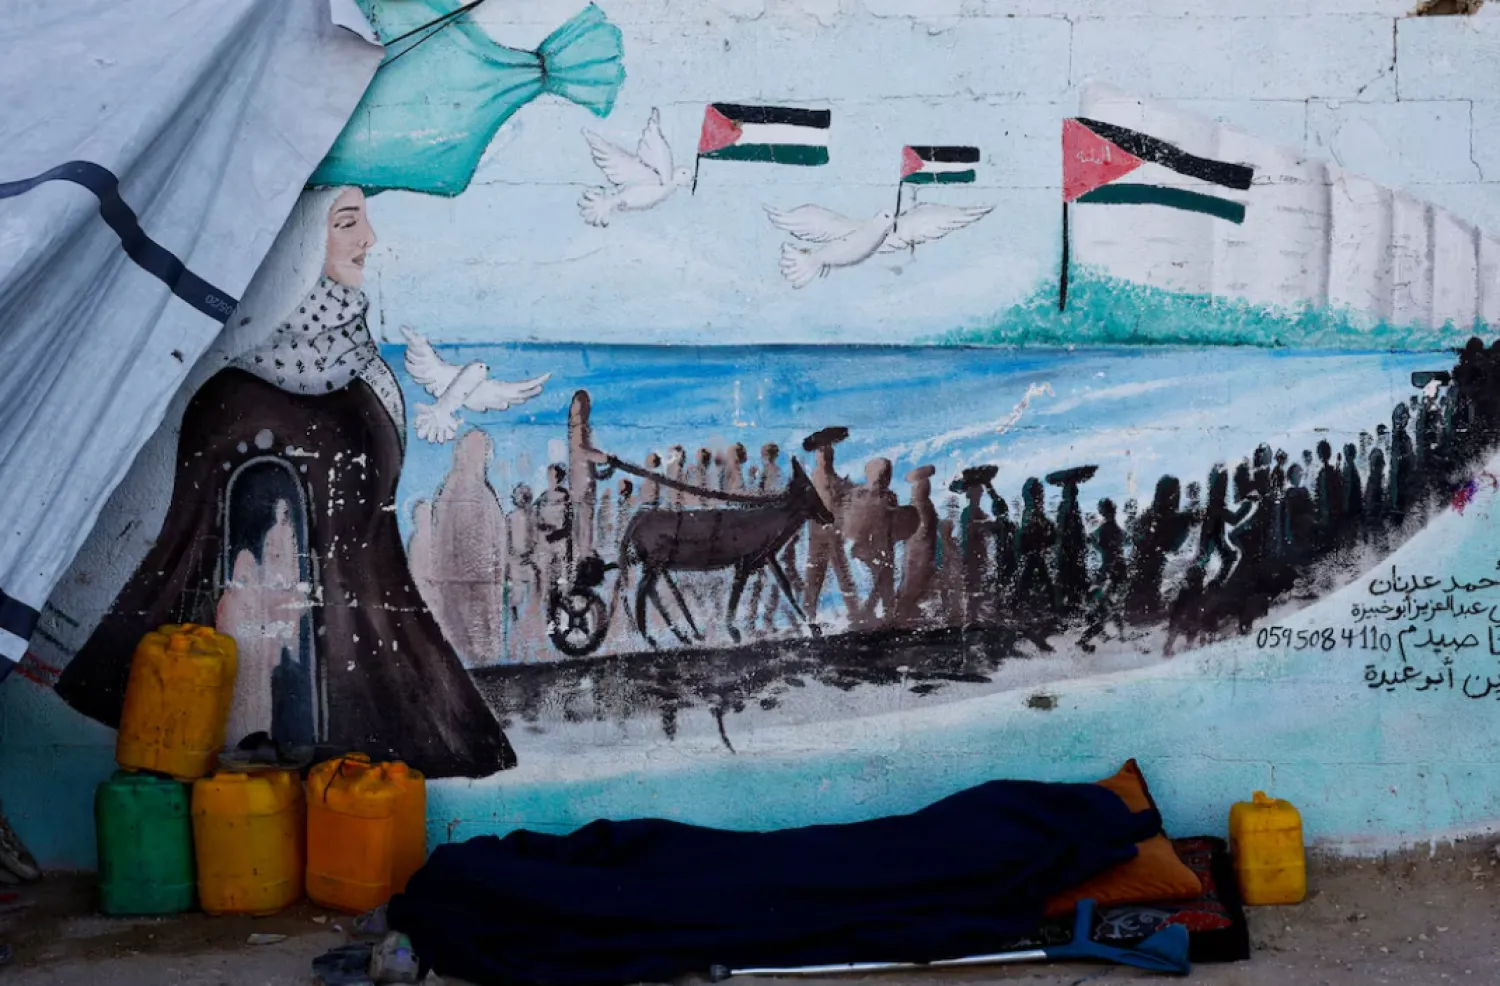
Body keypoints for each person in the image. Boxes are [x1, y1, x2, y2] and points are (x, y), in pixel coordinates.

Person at [56, 187, 514, 777]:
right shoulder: (233, 398)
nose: (369, 239)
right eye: (346, 223)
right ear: (298, 245)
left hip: (368, 695)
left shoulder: (363, 369)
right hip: (253, 715)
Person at [801, 428, 859, 625]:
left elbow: (844, 500)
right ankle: (809, 614)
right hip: (818, 531)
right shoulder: (817, 478)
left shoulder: (833, 480)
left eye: (827, 451)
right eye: (821, 451)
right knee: (816, 572)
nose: (825, 455)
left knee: (839, 570)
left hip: (831, 531)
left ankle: (854, 612)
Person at [846, 458, 900, 624]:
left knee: (885, 579)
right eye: (884, 475)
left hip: (882, 546)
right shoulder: (868, 495)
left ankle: (884, 611)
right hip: (872, 546)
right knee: (883, 579)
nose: (886, 479)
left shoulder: (885, 496)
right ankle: (870, 611)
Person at [896, 465, 939, 624]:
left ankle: (905, 619)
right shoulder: (923, 507)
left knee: (910, 590)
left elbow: (923, 532)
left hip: (919, 557)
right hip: (917, 556)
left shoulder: (923, 508)